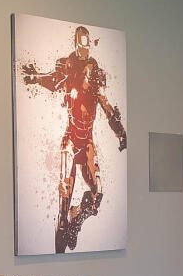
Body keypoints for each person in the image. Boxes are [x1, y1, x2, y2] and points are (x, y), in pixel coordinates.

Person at [17, 23, 126, 254]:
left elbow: (107, 108)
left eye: (86, 45)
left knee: (97, 195)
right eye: (81, 45)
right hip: (71, 141)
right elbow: (52, 79)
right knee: (63, 204)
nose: (83, 50)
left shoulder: (95, 78)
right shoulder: (67, 67)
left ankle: (76, 220)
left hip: (87, 144)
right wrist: (35, 77)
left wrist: (120, 133)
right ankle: (65, 228)